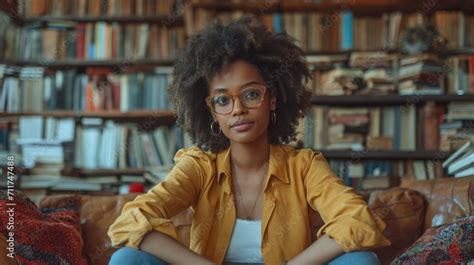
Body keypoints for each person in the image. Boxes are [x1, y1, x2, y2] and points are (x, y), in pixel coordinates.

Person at [107, 15, 390, 265]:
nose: (238, 109)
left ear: (273, 98)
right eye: (222, 100)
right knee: (127, 258)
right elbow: (132, 221)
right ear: (212, 113)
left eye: (251, 94)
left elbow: (358, 220)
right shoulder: (199, 167)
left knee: (360, 260)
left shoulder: (304, 167)